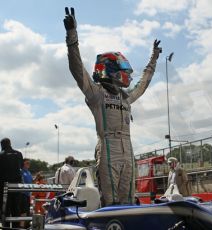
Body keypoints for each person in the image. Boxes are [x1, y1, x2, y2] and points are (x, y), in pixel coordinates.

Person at [63, 7, 161, 206]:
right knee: (112, 201)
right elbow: (77, 70)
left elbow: (143, 83)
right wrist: (72, 36)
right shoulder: (96, 93)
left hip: (128, 148)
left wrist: (153, 59)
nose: (125, 75)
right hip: (108, 147)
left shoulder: (126, 96)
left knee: (128, 200)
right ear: (108, 70)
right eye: (121, 71)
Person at [0, 138, 23, 228]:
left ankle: (5, 227)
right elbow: (21, 166)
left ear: (2, 145)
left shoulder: (1, 155)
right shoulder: (18, 153)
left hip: (4, 186)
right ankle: (16, 227)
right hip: (17, 186)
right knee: (16, 208)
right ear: (10, 143)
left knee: (5, 209)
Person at [20, 158, 33, 228]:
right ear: (23, 164)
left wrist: (36, 178)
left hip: (28, 194)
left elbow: (31, 181)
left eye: (29, 163)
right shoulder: (21, 171)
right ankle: (21, 226)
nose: (28, 164)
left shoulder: (29, 172)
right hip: (22, 194)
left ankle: (26, 226)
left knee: (27, 211)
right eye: (27, 163)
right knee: (23, 211)